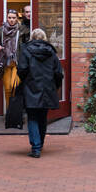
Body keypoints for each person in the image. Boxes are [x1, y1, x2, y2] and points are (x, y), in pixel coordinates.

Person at [17, 27, 63, 158]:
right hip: (47, 89)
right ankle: (40, 144)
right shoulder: (51, 53)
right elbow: (58, 72)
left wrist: (26, 81)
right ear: (44, 38)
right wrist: (55, 86)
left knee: (32, 117)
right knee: (43, 117)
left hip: (31, 88)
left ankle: (36, 148)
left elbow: (21, 70)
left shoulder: (26, 51)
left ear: (32, 38)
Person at [0, 10, 24, 129]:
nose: (11, 20)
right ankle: (9, 114)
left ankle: (16, 113)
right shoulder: (0, 30)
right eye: (9, 17)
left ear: (17, 18)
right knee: (7, 88)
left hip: (17, 62)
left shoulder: (22, 30)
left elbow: (26, 45)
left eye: (13, 17)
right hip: (5, 62)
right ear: (7, 18)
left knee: (14, 87)